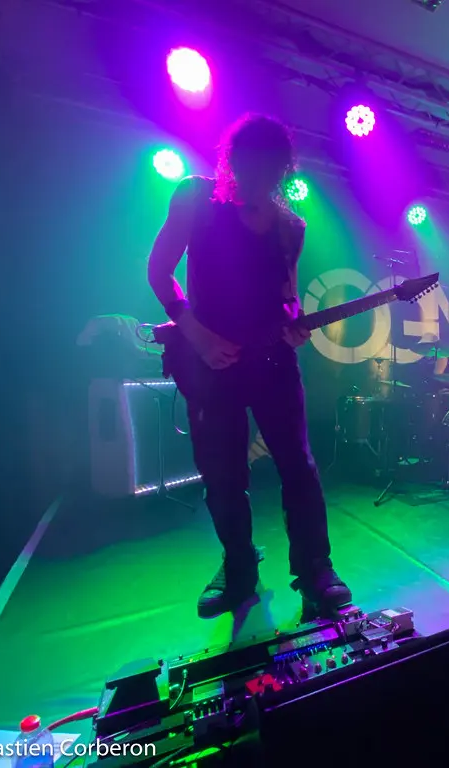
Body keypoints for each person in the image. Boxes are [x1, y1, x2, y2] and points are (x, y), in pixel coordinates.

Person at [147, 113, 351, 619]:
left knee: (299, 466)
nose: (260, 180)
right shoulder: (195, 197)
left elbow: (289, 297)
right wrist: (198, 335)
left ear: (284, 171)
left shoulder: (290, 227)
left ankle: (316, 570)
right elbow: (159, 271)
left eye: (272, 171)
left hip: (273, 359)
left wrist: (296, 323)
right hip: (209, 362)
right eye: (250, 168)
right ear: (230, 161)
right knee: (221, 472)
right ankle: (239, 568)